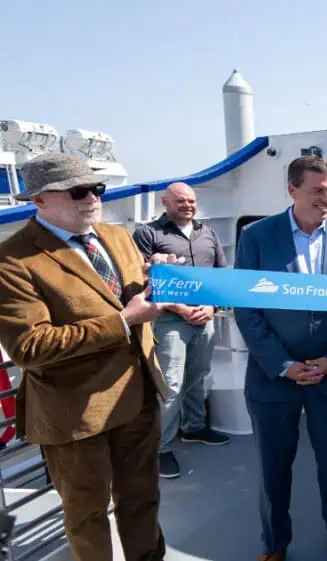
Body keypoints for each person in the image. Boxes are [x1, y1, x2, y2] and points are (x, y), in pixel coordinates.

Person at [0, 152, 170, 561]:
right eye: (78, 191)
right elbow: (31, 348)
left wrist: (161, 283)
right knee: (87, 514)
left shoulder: (115, 236)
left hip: (138, 396)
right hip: (75, 413)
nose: (92, 197)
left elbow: (121, 293)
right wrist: (124, 321)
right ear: (39, 199)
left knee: (142, 500)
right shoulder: (12, 260)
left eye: (96, 188)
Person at [233, 155, 327, 561]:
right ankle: (275, 545)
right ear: (292, 190)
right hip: (273, 377)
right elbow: (246, 307)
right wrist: (283, 364)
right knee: (273, 467)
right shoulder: (257, 236)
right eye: (318, 191)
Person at [133, 181, 231, 480]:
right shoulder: (148, 234)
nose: (187, 205)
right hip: (168, 320)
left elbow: (221, 277)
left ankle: (194, 427)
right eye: (180, 201)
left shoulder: (208, 234)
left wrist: (212, 309)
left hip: (205, 317)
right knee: (171, 384)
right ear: (165, 203)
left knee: (197, 375)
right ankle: (160, 448)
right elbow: (139, 278)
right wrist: (180, 308)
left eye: (191, 200)